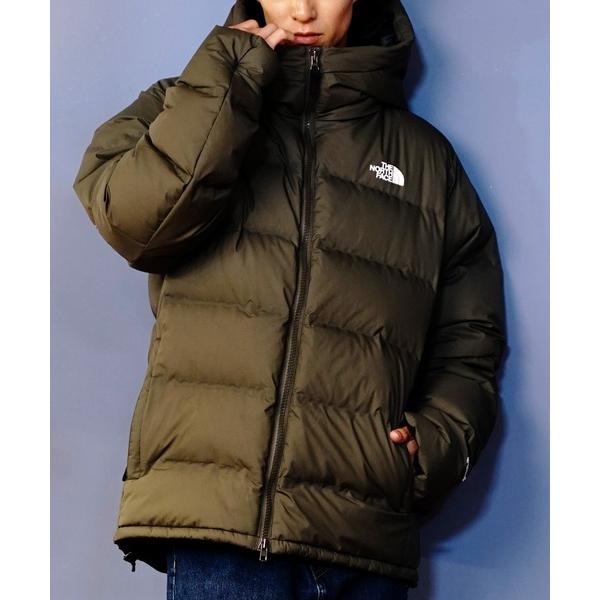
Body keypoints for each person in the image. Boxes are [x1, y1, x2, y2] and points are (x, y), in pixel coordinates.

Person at [72, 0, 507, 598]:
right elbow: (137, 223)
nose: (302, 11)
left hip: (361, 537)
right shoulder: (183, 103)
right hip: (218, 532)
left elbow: (471, 336)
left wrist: (434, 448)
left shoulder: (426, 161)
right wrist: (228, 75)